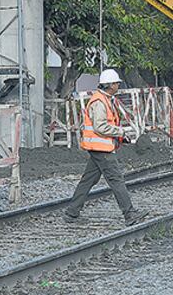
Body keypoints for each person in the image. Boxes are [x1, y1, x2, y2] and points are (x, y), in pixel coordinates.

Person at [63, 69, 147, 226]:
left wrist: (120, 136)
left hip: (98, 147)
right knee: (116, 180)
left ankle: (71, 213)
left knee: (88, 180)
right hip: (101, 149)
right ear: (110, 85)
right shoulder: (100, 102)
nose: (118, 85)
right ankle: (129, 214)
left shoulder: (105, 99)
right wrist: (120, 131)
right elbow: (100, 126)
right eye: (116, 83)